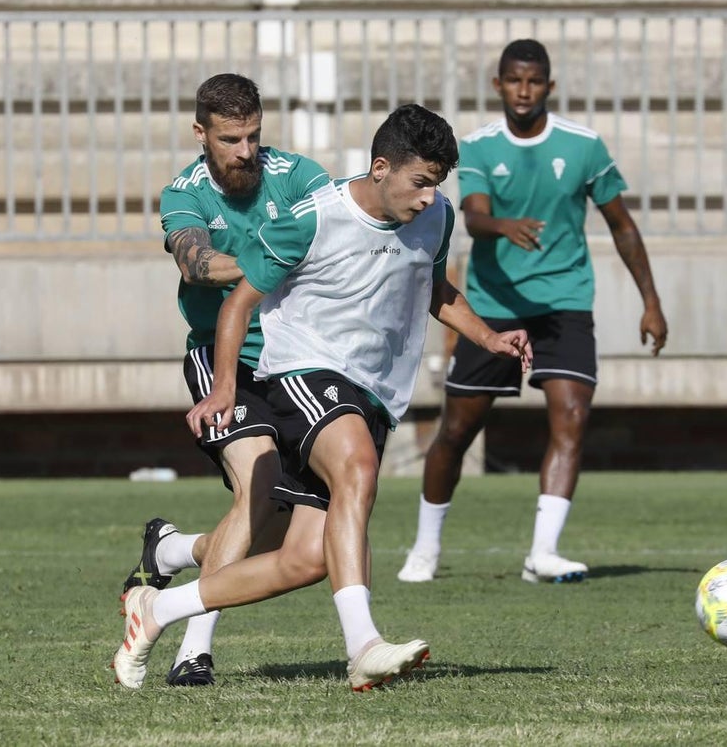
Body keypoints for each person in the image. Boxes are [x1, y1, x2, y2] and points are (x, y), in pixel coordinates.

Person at [111, 103, 533, 692]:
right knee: (354, 467)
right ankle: (363, 646)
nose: (426, 197)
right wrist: (226, 387)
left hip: (374, 390)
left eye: (436, 185)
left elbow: (433, 286)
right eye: (418, 183)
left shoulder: (436, 216)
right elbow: (237, 303)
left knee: (305, 558)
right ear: (381, 167)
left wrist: (489, 336)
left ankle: (157, 610)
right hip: (304, 373)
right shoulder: (313, 218)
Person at [398, 39, 668, 585]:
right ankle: (425, 548)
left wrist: (652, 302)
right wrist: (503, 226)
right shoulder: (476, 146)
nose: (524, 91)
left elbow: (621, 224)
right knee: (457, 430)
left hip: (565, 304)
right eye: (514, 81)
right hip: (494, 309)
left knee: (572, 419)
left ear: (549, 85)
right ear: (498, 85)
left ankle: (542, 553)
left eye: (535, 81)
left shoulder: (584, 145)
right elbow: (473, 218)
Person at [118, 73, 329, 686]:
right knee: (258, 486)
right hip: (219, 355)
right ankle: (194, 649)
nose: (246, 151)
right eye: (231, 138)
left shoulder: (301, 177)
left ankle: (171, 550)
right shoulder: (183, 194)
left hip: (294, 360)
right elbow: (198, 263)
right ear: (201, 134)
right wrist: (274, 263)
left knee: (275, 533)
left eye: (254, 136)